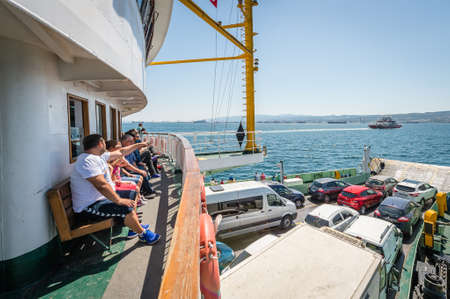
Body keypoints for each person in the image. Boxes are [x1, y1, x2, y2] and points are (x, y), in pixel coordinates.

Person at [71, 134, 160, 244]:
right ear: (100, 143)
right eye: (104, 142)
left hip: (100, 199)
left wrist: (138, 145)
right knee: (124, 206)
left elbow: (122, 151)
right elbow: (101, 185)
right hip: (87, 207)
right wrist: (119, 200)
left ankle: (133, 225)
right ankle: (143, 234)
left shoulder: (99, 157)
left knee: (131, 192)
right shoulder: (87, 161)